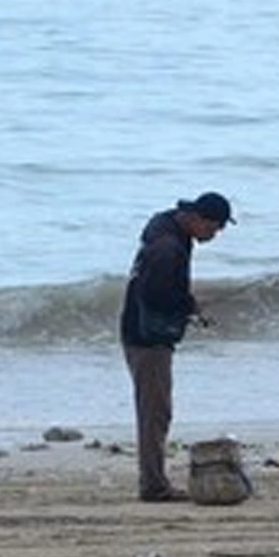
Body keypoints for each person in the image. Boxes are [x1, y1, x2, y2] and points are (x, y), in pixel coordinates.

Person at [119, 191, 233, 502]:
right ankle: (153, 486)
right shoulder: (167, 248)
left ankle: (153, 481)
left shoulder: (169, 228)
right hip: (147, 338)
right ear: (197, 219)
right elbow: (155, 296)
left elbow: (163, 288)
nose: (214, 235)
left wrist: (188, 305)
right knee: (155, 413)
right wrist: (184, 308)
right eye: (214, 228)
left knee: (155, 411)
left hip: (139, 331)